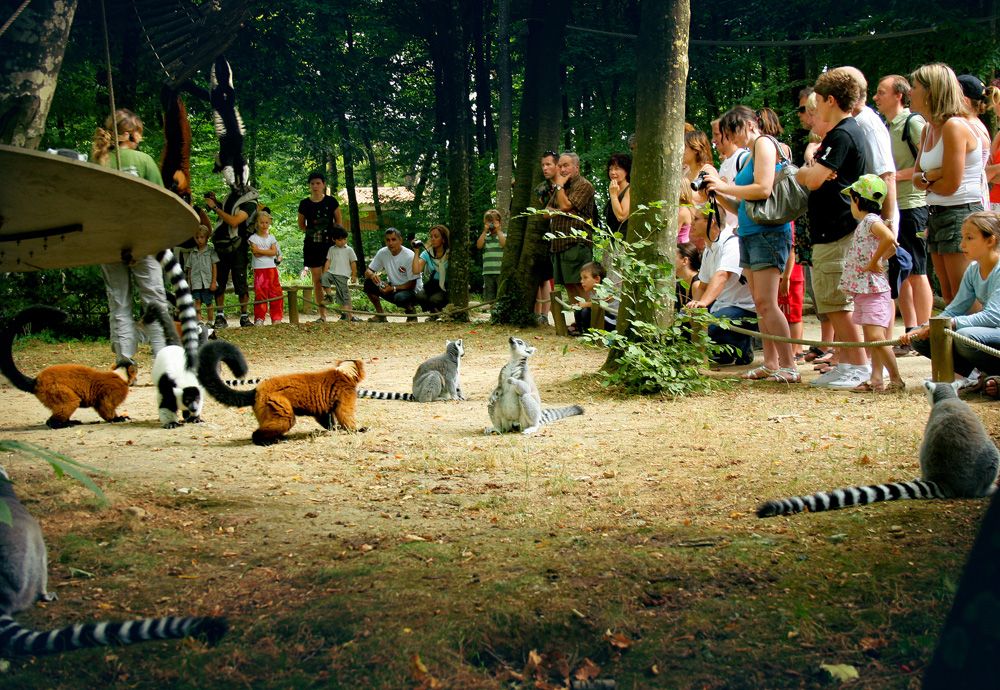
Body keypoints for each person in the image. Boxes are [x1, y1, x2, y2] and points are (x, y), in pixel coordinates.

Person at [703, 105, 797, 382]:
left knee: (768, 303)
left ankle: (789, 365)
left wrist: (724, 186)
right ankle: (770, 363)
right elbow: (741, 203)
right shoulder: (751, 154)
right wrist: (716, 192)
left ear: (746, 125)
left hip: (769, 233)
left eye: (732, 133)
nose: (732, 140)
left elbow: (763, 189)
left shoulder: (764, 144)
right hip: (750, 231)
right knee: (760, 303)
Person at [796, 68, 873, 389]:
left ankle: (858, 365)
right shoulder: (846, 132)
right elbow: (818, 175)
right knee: (832, 301)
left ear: (830, 100)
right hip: (833, 229)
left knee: (837, 302)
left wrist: (804, 171)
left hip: (839, 229)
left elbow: (812, 179)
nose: (814, 110)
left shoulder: (843, 134)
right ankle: (850, 362)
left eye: (818, 103)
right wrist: (814, 171)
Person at [91, 108, 171, 362]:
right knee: (155, 301)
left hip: (108, 242)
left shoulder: (97, 162)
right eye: (139, 133)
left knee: (119, 304)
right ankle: (163, 361)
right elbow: (160, 203)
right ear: (128, 134)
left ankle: (125, 363)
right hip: (143, 240)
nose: (142, 139)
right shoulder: (144, 161)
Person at [901, 211, 1000, 396]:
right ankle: (972, 375)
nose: (962, 244)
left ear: (990, 240)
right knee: (922, 339)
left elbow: (995, 315)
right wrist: (924, 327)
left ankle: (982, 375)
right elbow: (956, 308)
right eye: (963, 237)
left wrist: (952, 323)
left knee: (965, 336)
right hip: (992, 335)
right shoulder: (973, 269)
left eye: (969, 238)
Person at [911, 63, 985, 303]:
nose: (910, 92)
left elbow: (951, 185)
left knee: (964, 296)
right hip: (936, 214)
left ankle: (974, 341)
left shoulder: (954, 126)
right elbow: (916, 179)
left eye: (914, 87)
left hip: (960, 213)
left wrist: (926, 179)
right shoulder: (928, 130)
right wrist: (932, 176)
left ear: (931, 92)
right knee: (950, 295)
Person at [874, 74, 934, 354]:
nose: (876, 97)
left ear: (899, 95)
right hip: (895, 209)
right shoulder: (885, 126)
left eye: (881, 92)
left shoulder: (914, 123)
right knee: (901, 271)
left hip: (914, 206)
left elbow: (928, 166)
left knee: (918, 271)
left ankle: (927, 330)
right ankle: (911, 332)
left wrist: (892, 177)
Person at [838, 175, 905, 392]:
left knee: (876, 338)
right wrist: (879, 259)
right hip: (866, 290)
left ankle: (896, 379)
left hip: (873, 289)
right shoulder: (869, 222)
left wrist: (874, 262)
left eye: (852, 199)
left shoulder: (870, 221)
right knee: (871, 338)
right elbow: (892, 247)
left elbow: (889, 239)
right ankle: (876, 379)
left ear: (857, 199)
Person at [684, 199, 757, 367]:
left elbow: (722, 276)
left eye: (696, 219)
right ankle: (723, 352)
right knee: (685, 325)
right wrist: (694, 312)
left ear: (712, 221)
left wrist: (702, 304)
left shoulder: (731, 243)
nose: (692, 223)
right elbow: (702, 285)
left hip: (743, 308)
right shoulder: (710, 248)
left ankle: (742, 346)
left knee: (709, 328)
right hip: (722, 305)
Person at [204, 177, 257, 328]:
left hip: (237, 245)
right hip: (221, 245)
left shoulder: (250, 202)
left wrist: (215, 207)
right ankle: (220, 316)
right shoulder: (230, 197)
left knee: (240, 281)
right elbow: (227, 214)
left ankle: (244, 316)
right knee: (219, 280)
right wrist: (217, 203)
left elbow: (234, 221)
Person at [548, 152, 596, 306]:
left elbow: (565, 206)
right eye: (560, 166)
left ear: (576, 167)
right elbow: (546, 212)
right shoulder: (561, 188)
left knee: (581, 284)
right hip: (559, 244)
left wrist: (560, 190)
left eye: (566, 165)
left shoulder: (584, 185)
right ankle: (577, 321)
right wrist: (562, 209)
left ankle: (588, 321)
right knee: (569, 284)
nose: (562, 169)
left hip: (577, 244)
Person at [297, 171, 342, 323]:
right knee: (316, 279)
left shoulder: (331, 202)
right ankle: (322, 315)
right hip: (311, 245)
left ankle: (344, 310)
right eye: (312, 183)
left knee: (329, 276)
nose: (315, 186)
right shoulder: (304, 204)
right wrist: (313, 232)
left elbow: (338, 222)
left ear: (323, 185)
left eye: (318, 183)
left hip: (329, 245)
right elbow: (301, 224)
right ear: (309, 186)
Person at [363, 228, 419, 322]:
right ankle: (380, 315)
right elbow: (367, 272)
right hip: (392, 287)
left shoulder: (409, 256)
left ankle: (411, 313)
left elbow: (412, 284)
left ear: (400, 240)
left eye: (393, 239)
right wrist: (372, 275)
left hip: (411, 291)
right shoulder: (382, 252)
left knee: (400, 297)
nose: (390, 243)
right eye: (388, 240)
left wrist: (392, 288)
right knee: (368, 283)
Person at [532, 151, 558, 324]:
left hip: (560, 236)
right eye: (543, 165)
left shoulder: (567, 185)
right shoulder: (541, 188)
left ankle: (545, 314)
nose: (545, 168)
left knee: (548, 277)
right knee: (540, 275)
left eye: (549, 164)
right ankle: (539, 314)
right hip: (542, 236)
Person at [247, 210, 283, 326]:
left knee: (275, 293)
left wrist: (260, 250)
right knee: (260, 293)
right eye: (262, 222)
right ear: (257, 223)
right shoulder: (253, 238)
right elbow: (255, 254)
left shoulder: (272, 238)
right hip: (259, 269)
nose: (264, 225)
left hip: (271, 268)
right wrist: (266, 252)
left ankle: (276, 318)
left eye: (266, 223)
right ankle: (259, 318)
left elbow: (274, 252)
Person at [321, 225, 358, 321]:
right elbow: (328, 261)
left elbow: (353, 262)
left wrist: (354, 275)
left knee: (343, 294)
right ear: (334, 239)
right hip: (332, 272)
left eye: (344, 239)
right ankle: (329, 296)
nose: (343, 242)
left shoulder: (349, 250)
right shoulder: (331, 249)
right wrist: (325, 272)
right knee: (324, 277)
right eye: (340, 240)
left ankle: (346, 315)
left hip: (343, 274)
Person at [413, 224, 450, 313]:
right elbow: (416, 271)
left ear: (443, 239)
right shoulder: (427, 253)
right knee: (419, 296)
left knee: (435, 299)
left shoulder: (450, 253)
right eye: (431, 236)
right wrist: (416, 252)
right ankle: (434, 312)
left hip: (447, 287)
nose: (432, 239)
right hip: (433, 286)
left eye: (436, 236)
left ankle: (440, 311)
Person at [571, 261, 617, 333]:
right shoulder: (593, 292)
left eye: (585, 278)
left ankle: (590, 335)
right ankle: (582, 332)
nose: (581, 281)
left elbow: (601, 303)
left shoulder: (606, 289)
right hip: (604, 319)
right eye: (581, 278)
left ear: (597, 279)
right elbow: (591, 303)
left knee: (587, 311)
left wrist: (585, 304)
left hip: (613, 321)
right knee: (579, 311)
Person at [186, 224, 218, 324]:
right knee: (197, 301)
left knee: (209, 302)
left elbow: (214, 267)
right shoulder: (192, 253)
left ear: (207, 238)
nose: (199, 240)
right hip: (196, 282)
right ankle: (199, 321)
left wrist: (213, 282)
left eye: (202, 237)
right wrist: (189, 283)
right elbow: (189, 269)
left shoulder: (210, 251)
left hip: (207, 282)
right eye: (197, 237)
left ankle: (210, 321)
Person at [477, 209, 506, 301]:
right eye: (489, 222)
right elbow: (479, 245)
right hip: (488, 272)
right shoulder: (485, 237)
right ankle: (491, 312)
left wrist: (498, 230)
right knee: (489, 296)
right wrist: (485, 231)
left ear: (499, 222)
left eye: (493, 221)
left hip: (500, 272)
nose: (491, 224)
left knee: (500, 295)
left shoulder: (503, 235)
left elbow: (504, 244)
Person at [605, 153, 631, 237]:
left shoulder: (630, 189)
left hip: (624, 242)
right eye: (610, 169)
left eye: (617, 169)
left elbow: (621, 216)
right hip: (611, 240)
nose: (612, 172)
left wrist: (613, 195)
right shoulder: (614, 189)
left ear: (626, 171)